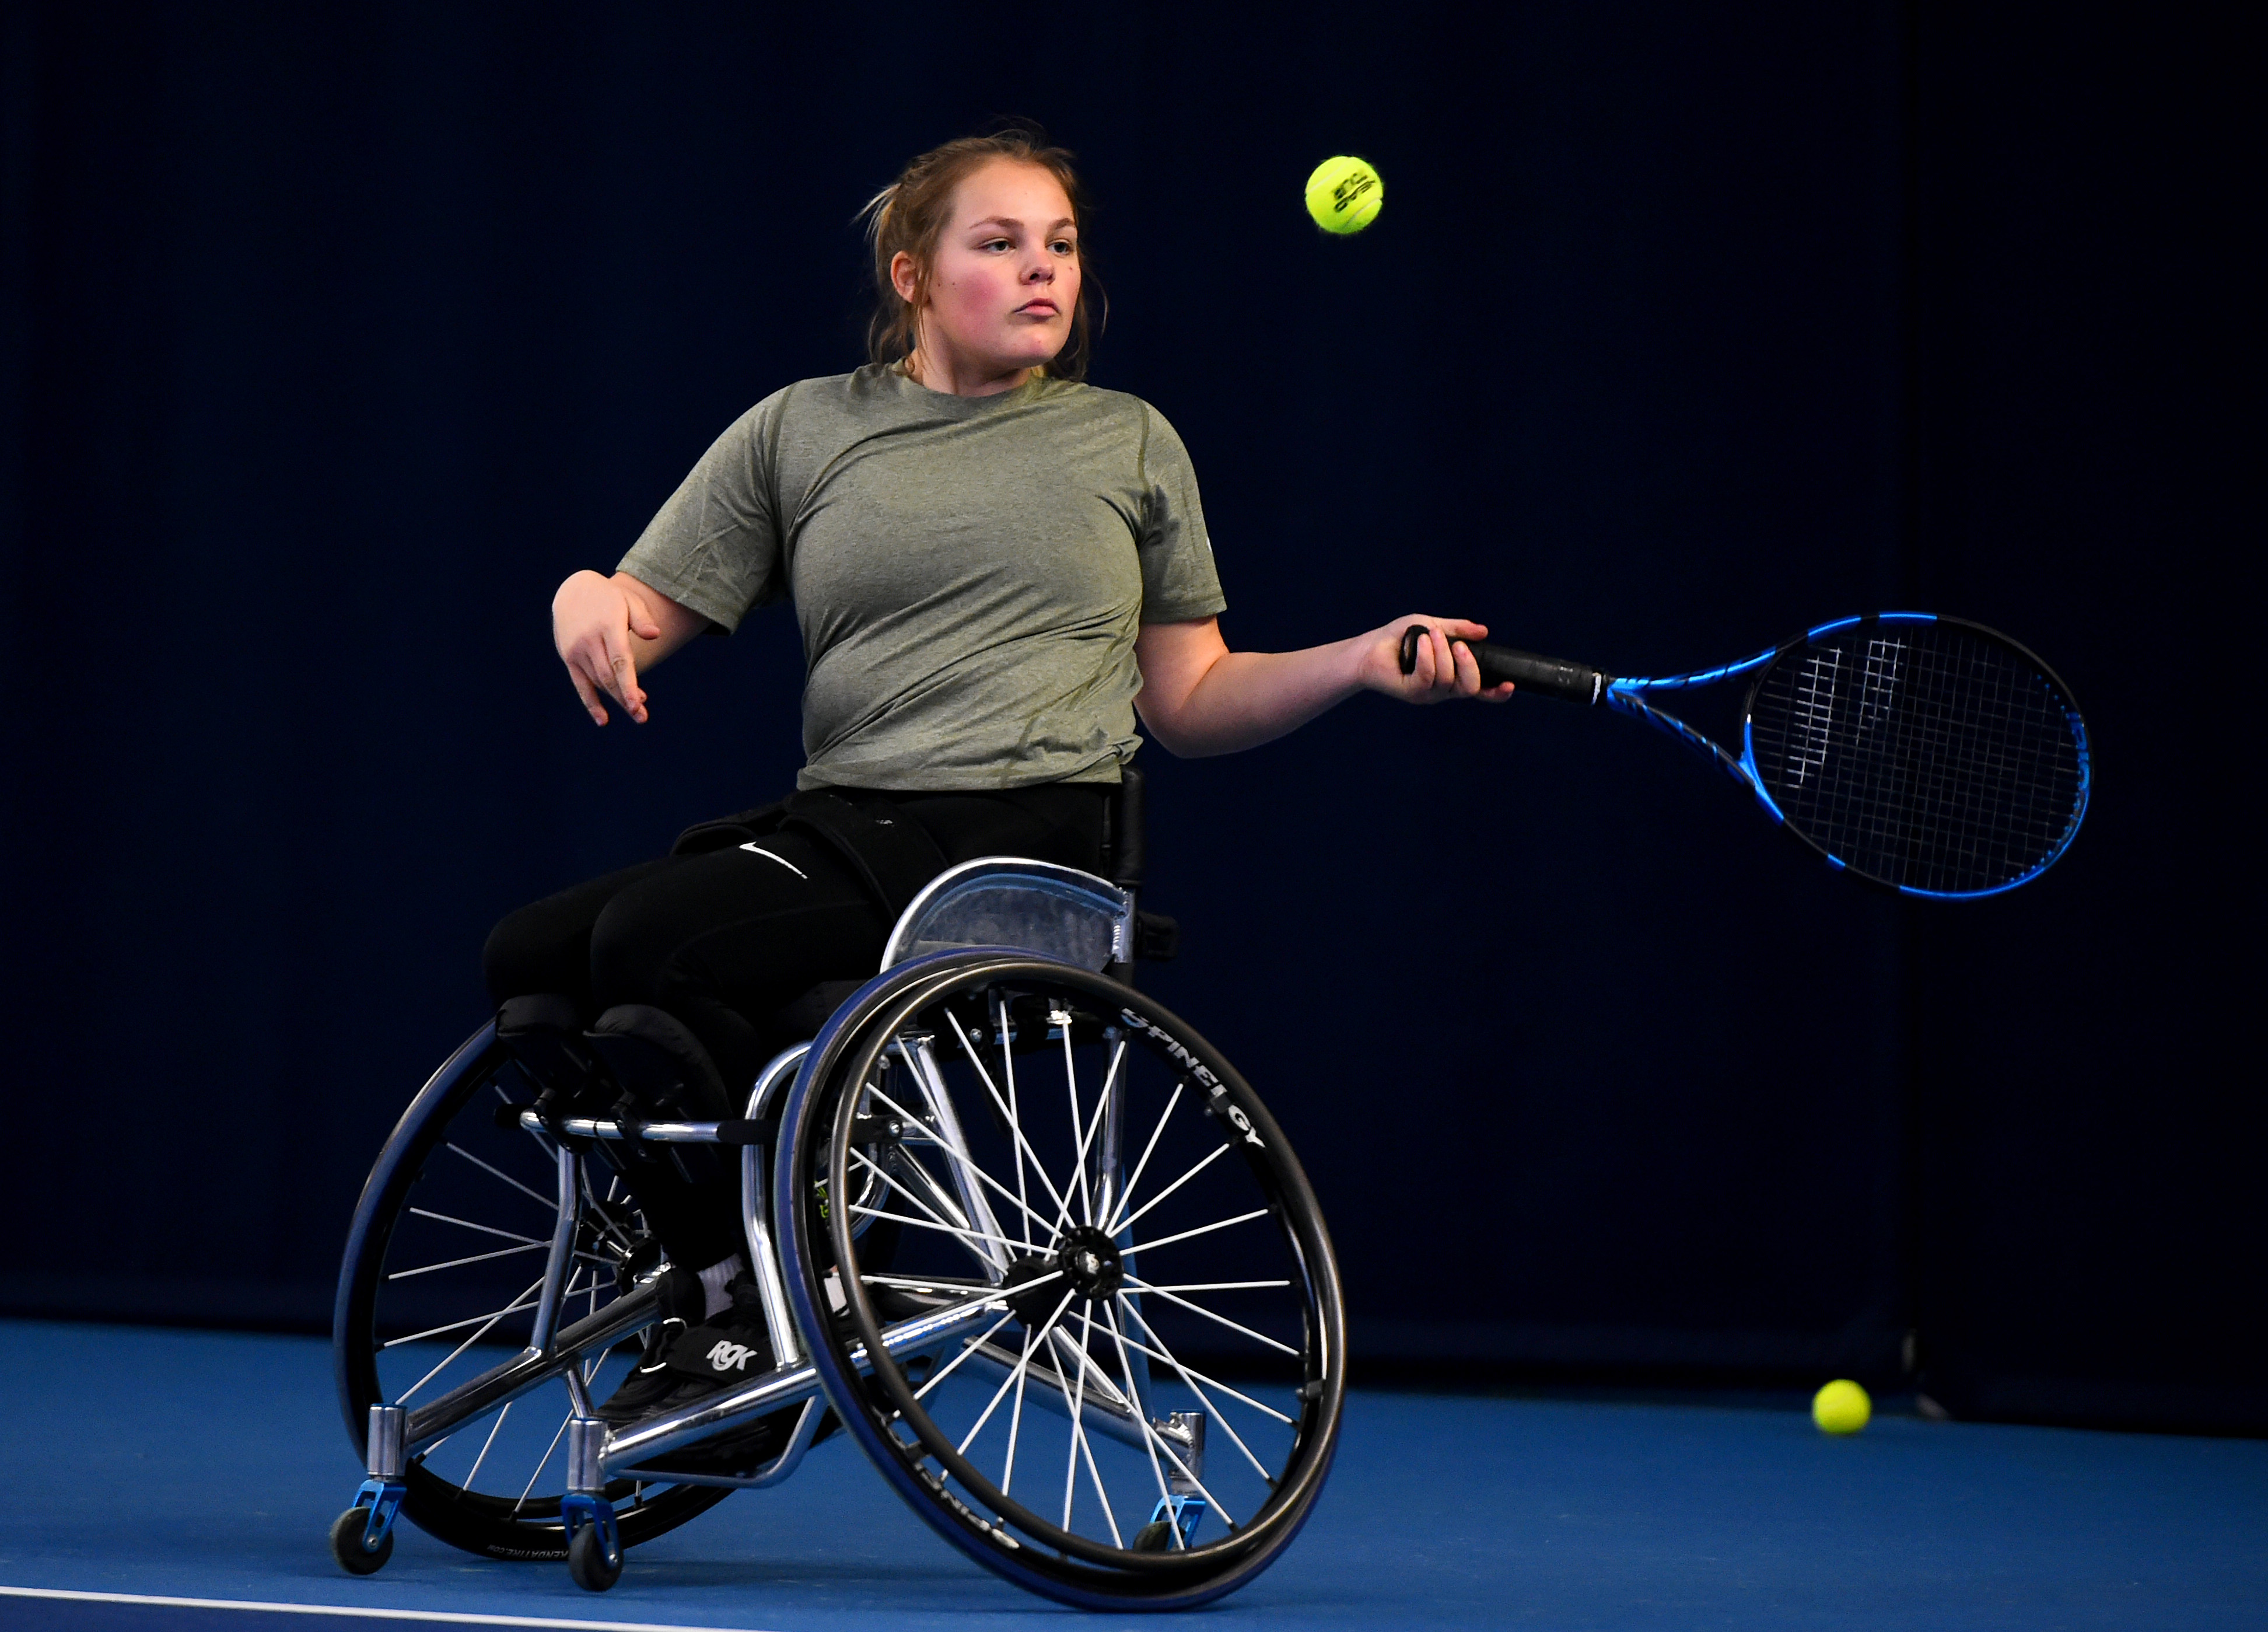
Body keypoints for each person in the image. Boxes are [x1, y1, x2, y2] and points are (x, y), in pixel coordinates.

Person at [481, 126, 1507, 1459]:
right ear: (912, 274)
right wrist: (578, 595)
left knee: (649, 942)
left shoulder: (1126, 443)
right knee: (532, 954)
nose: (1044, 272)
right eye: (1001, 243)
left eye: (1063, 246)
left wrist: (1365, 662)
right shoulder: (805, 430)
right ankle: (736, 1266)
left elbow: (1190, 698)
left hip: (1024, 841)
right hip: (847, 828)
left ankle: (750, 1302)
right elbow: (640, 610)